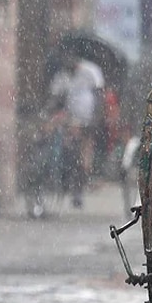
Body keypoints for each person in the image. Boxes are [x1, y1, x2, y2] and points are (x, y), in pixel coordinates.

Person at [46, 52, 105, 207]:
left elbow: (99, 96)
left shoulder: (90, 71)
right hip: (70, 120)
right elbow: (56, 97)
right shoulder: (62, 76)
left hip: (88, 119)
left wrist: (95, 119)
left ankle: (79, 186)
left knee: (83, 157)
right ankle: (64, 177)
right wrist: (49, 112)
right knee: (68, 150)